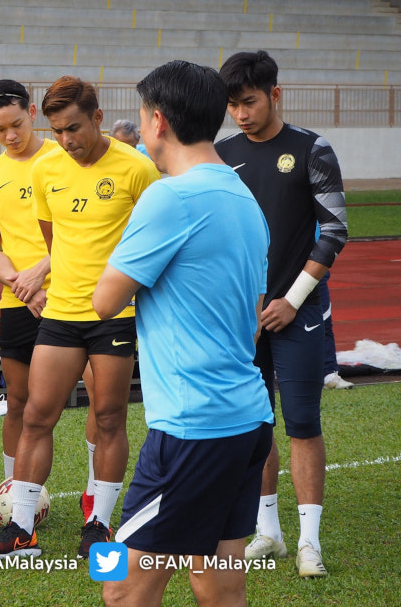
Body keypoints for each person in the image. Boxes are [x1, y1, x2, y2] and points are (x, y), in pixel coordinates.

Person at [92, 60, 273, 607]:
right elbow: (254, 312)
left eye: (143, 116)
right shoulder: (245, 199)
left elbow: (106, 301)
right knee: (218, 583)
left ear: (158, 121)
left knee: (122, 587)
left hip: (192, 429)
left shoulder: (170, 197)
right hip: (247, 419)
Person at [0, 76, 159, 559]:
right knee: (37, 416)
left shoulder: (138, 169)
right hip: (61, 314)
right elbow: (56, 243)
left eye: (75, 128)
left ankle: (98, 523)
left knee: (108, 417)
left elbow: (154, 242)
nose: (67, 140)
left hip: (116, 314)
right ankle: (21, 530)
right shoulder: (45, 169)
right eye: (58, 131)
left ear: (98, 118)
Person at [217, 50, 348, 578]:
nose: (241, 114)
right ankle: (267, 532)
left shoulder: (312, 149)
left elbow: (335, 230)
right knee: (255, 423)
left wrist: (290, 301)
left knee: (301, 422)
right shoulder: (221, 155)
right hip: (243, 316)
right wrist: (240, 301)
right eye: (232, 106)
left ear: (275, 94)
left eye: (249, 102)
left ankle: (308, 542)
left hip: (299, 311)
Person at [0, 80, 57, 526]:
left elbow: (80, 236)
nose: (10, 136)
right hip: (17, 301)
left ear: (33, 114)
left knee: (101, 402)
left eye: (17, 125)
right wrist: (23, 284)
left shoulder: (61, 161)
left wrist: (41, 274)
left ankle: (93, 503)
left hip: (71, 298)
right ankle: (10, 496)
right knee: (19, 403)